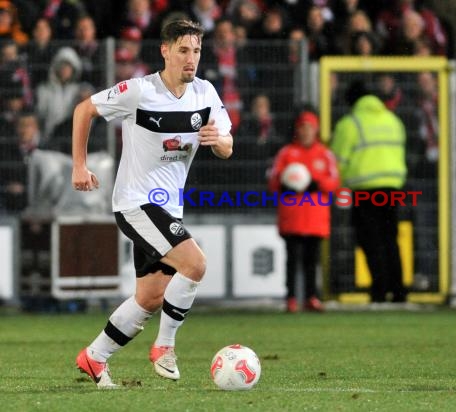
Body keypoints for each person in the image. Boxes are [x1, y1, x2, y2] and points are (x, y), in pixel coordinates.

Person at [72, 19, 233, 388]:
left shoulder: (206, 93)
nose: (191, 58)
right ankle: (164, 346)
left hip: (167, 209)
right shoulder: (139, 91)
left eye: (196, 51)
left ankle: (94, 357)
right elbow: (85, 110)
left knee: (149, 297)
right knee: (195, 264)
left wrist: (217, 140)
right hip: (135, 204)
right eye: (183, 50)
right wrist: (79, 165)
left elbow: (227, 145)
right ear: (165, 50)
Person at [330, 80, 408, 304]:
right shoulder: (393, 120)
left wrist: (338, 189)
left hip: (364, 191)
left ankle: (379, 291)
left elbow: (337, 162)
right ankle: (400, 291)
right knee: (391, 240)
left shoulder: (351, 123)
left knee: (370, 241)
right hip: (392, 188)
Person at [268, 110, 339, 312]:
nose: (306, 131)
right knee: (292, 259)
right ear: (298, 130)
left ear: (315, 130)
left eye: (309, 127)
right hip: (292, 217)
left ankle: (311, 297)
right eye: (302, 127)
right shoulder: (287, 153)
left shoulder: (325, 154)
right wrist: (285, 186)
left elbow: (334, 182)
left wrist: (316, 184)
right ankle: (291, 298)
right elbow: (273, 181)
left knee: (311, 260)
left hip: (315, 218)